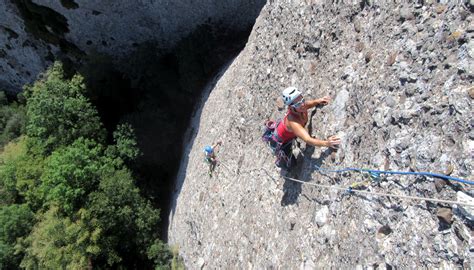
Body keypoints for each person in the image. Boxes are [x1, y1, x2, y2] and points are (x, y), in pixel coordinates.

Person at [273, 86, 341, 167]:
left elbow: (307, 104)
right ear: (290, 107)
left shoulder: (300, 107)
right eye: (298, 104)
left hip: (288, 134)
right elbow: (308, 139)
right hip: (281, 140)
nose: (302, 104)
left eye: (302, 100)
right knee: (291, 164)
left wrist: (317, 101)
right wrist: (327, 143)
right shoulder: (293, 122)